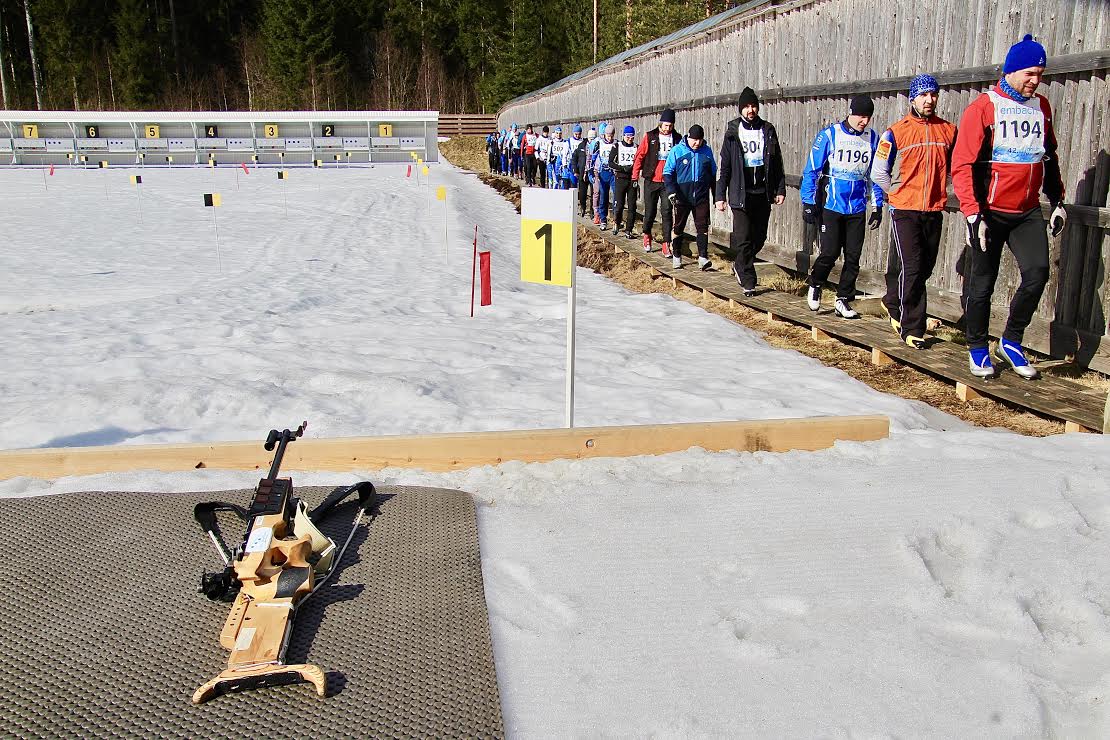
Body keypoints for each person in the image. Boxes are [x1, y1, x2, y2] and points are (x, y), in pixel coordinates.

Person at [952, 34, 1065, 379]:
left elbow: (1047, 156)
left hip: (1027, 211)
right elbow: (962, 164)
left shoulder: (1041, 107)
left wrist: (1058, 200)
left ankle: (1012, 340)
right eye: (1030, 73)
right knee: (982, 284)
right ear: (1012, 70)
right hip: (989, 211)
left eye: (1040, 74)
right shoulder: (984, 107)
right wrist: (972, 213)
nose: (1035, 80)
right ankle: (977, 347)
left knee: (1037, 273)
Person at [870, 74, 957, 349]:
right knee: (913, 266)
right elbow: (878, 171)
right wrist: (893, 195)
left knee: (925, 267)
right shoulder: (895, 132)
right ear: (913, 98)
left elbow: (959, 167)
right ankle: (912, 327)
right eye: (923, 95)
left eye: (933, 95)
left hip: (933, 208)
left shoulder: (949, 131)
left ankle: (892, 300)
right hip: (904, 209)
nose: (929, 100)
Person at [801, 95, 885, 319]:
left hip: (857, 207)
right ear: (850, 112)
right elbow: (812, 169)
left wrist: (878, 206)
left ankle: (843, 299)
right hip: (832, 204)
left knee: (853, 256)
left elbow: (875, 176)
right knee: (829, 252)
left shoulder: (872, 138)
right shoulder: (830, 135)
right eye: (860, 116)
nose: (863, 121)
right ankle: (816, 283)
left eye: (868, 117)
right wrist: (808, 202)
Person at [714, 87, 786, 296]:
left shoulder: (768, 130)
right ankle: (748, 279)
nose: (750, 110)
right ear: (740, 109)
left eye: (753, 106)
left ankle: (739, 264)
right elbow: (725, 167)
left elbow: (777, 162)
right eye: (746, 106)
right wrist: (720, 196)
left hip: (762, 192)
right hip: (740, 192)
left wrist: (780, 188)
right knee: (743, 238)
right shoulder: (733, 133)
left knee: (759, 237)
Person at [663, 124, 717, 270]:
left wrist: (717, 195)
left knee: (702, 226)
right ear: (688, 137)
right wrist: (671, 191)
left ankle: (703, 258)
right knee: (678, 226)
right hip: (682, 195)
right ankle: (677, 255)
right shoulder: (678, 150)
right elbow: (667, 172)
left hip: (701, 195)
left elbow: (713, 174)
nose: (697, 143)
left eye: (700, 140)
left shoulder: (706, 152)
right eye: (694, 140)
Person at [633, 108, 682, 256]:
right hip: (651, 179)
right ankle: (646, 234)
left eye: (670, 126)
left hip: (668, 181)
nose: (668, 129)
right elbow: (640, 156)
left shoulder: (677, 138)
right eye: (665, 125)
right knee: (650, 211)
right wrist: (635, 176)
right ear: (660, 124)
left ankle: (666, 243)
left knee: (667, 213)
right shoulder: (650, 136)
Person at [609, 125, 639, 239]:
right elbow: (610, 162)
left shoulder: (636, 147)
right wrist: (621, 167)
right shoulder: (617, 146)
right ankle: (616, 222)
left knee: (632, 205)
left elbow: (640, 161)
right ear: (624, 136)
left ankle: (629, 229)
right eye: (627, 136)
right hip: (620, 177)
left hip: (632, 178)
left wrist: (633, 168)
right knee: (619, 204)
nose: (629, 138)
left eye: (631, 136)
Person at [592, 124, 618, 229]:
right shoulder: (599, 143)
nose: (610, 138)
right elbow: (593, 158)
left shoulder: (616, 144)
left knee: (616, 195)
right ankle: (603, 219)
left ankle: (616, 219)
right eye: (608, 135)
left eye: (611, 135)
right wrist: (592, 171)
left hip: (613, 172)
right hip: (603, 172)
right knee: (603, 196)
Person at [571, 125, 591, 215]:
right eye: (576, 134)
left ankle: (592, 210)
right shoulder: (581, 146)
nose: (578, 136)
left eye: (579, 134)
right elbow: (574, 158)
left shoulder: (594, 145)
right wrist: (575, 170)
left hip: (591, 172)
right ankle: (582, 207)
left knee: (594, 193)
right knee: (582, 192)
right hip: (582, 172)